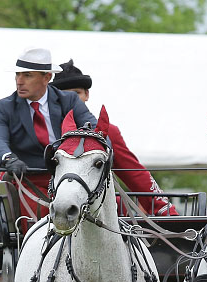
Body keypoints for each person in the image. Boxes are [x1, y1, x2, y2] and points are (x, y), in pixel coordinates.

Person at [50, 59, 177, 216]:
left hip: (95, 207)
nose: (72, 100)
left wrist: (166, 212)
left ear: (87, 94)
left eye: (76, 93)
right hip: (54, 204)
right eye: (64, 95)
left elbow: (134, 173)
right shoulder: (48, 131)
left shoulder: (108, 132)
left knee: (119, 204)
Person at [0, 47, 96, 220]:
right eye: (17, 74)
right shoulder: (4, 107)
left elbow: (94, 130)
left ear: (46, 78)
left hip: (71, 177)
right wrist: (8, 158)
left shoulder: (69, 101)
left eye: (27, 75)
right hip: (28, 181)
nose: (19, 81)